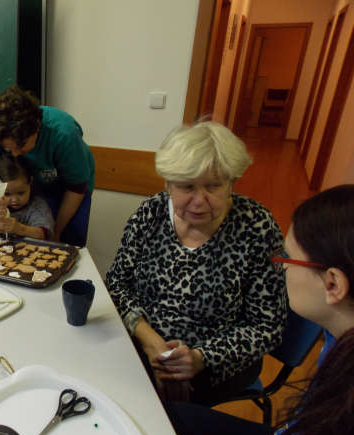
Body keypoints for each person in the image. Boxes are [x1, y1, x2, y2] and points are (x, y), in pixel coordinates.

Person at [166, 184, 354, 435]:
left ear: (333, 283)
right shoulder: (339, 334)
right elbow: (308, 426)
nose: (281, 268)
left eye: (288, 259)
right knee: (166, 419)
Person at [106, 121, 286, 405]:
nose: (199, 201)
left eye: (213, 186)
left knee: (168, 411)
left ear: (231, 183)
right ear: (168, 185)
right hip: (142, 344)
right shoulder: (150, 213)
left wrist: (201, 358)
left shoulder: (258, 228)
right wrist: (150, 341)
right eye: (187, 187)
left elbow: (268, 325)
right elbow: (117, 283)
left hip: (219, 362)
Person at [0, 85, 94, 245]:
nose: (15, 154)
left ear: (37, 128)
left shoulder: (64, 134)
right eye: (8, 149)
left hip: (68, 189)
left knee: (65, 238)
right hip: (24, 185)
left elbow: (76, 188)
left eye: (21, 146)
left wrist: (56, 233)